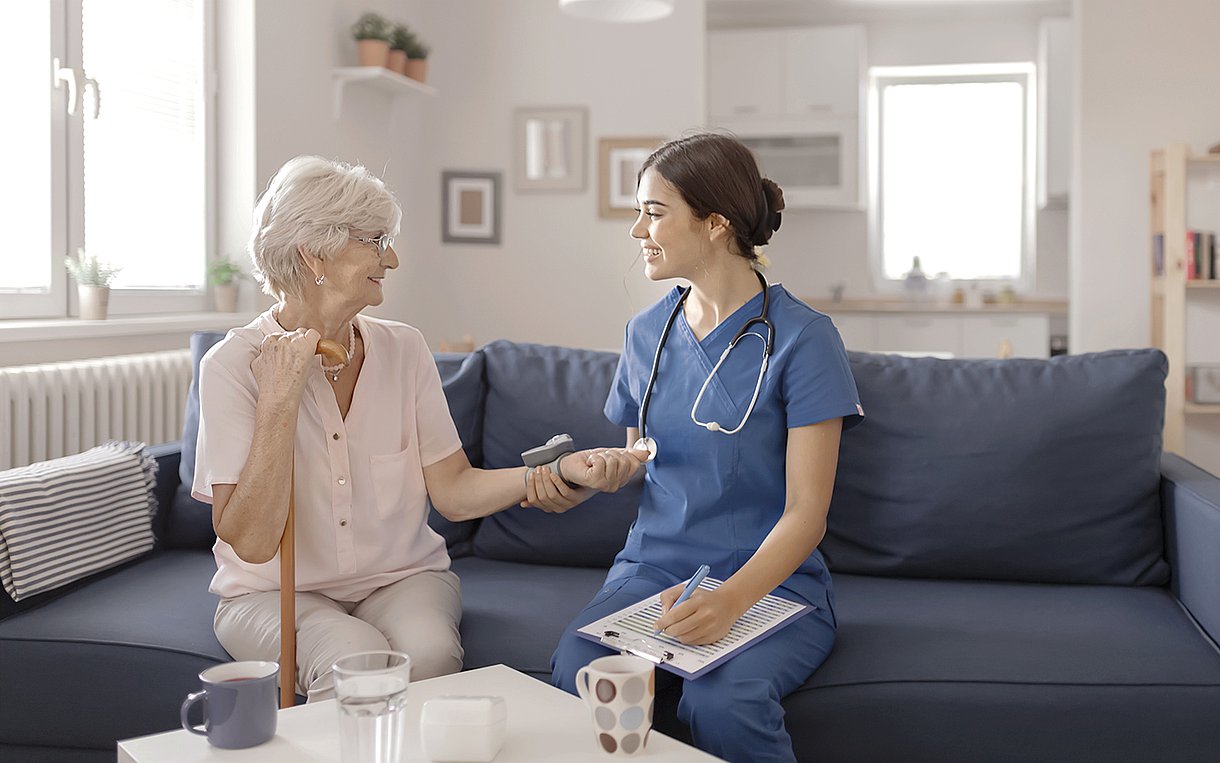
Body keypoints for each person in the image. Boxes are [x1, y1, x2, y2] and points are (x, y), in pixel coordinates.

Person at [193, 155, 643, 701]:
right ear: (315, 253)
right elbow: (252, 540)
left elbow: (453, 490)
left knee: (429, 656)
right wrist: (278, 405)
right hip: (268, 593)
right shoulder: (231, 366)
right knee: (352, 660)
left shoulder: (403, 348)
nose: (394, 258)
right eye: (376, 242)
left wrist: (553, 472)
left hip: (402, 580)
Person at [549, 133, 864, 763]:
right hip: (653, 572)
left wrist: (731, 600)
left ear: (715, 223)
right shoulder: (646, 333)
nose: (638, 229)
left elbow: (807, 512)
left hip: (771, 582)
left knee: (724, 702)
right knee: (579, 675)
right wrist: (610, 470)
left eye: (654, 211)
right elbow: (641, 457)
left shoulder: (805, 340)